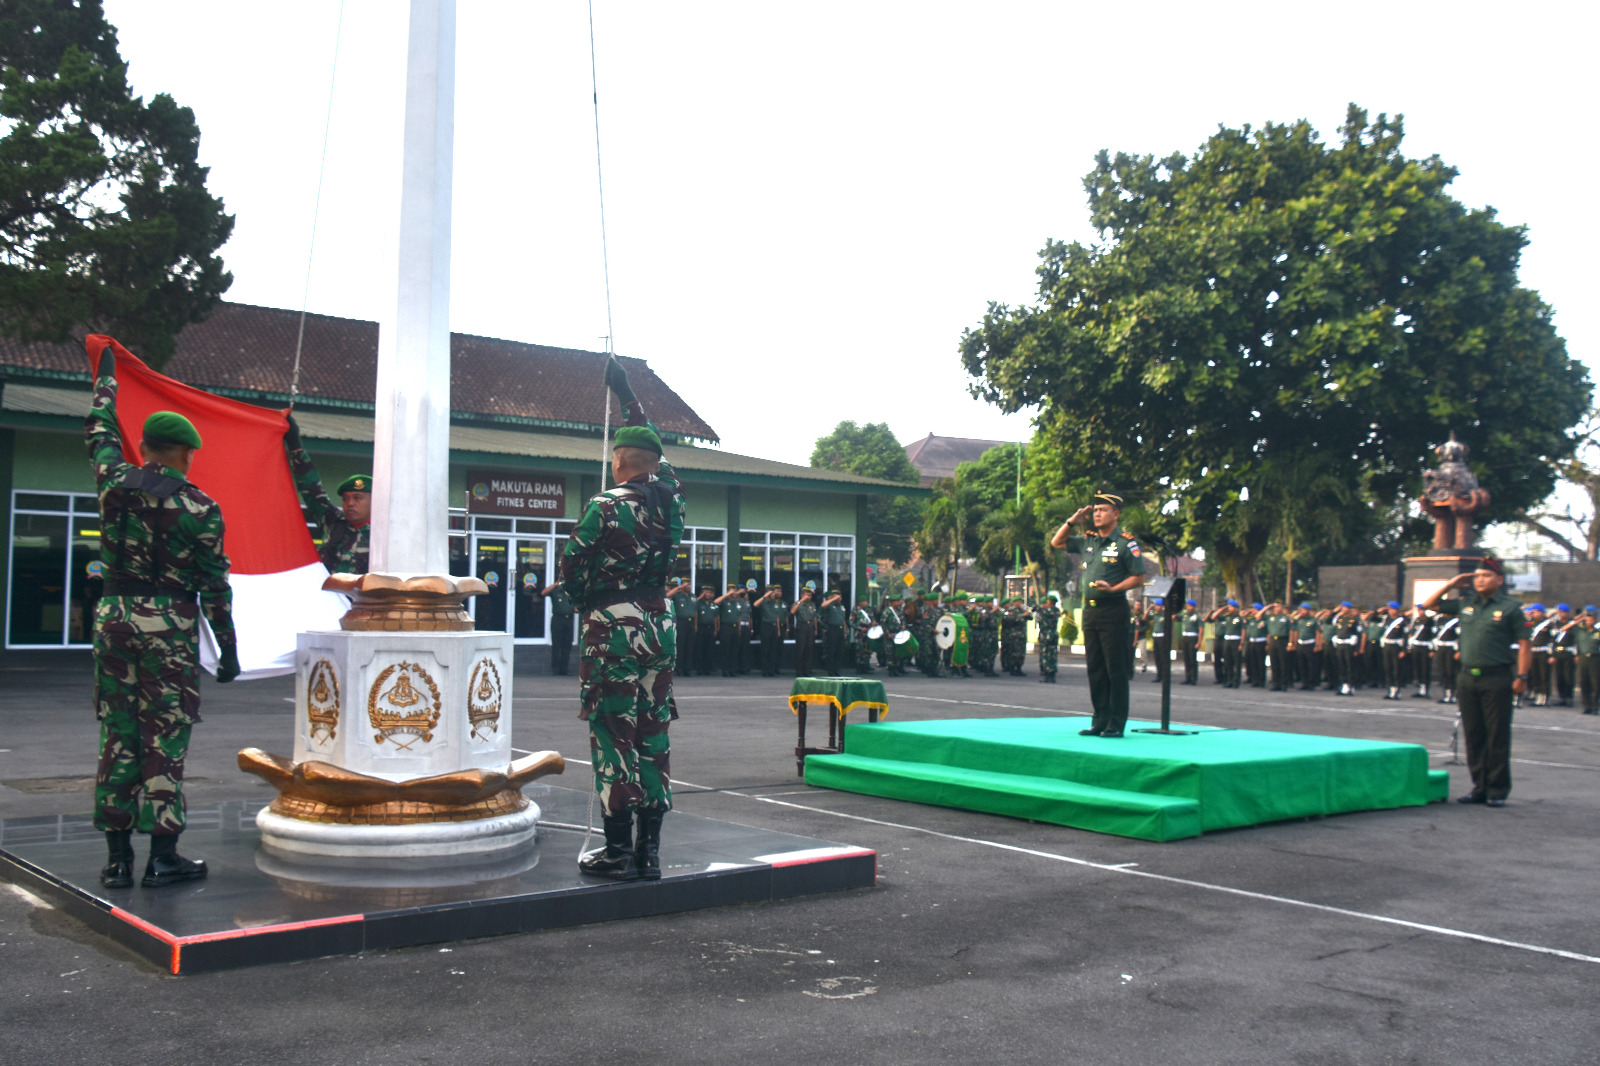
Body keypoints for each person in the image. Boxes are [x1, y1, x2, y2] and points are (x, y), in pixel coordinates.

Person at [86, 344, 239, 889]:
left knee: (118, 734)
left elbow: (99, 428)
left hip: (113, 620)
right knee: (165, 738)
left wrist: (107, 380)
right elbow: (213, 586)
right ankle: (163, 857)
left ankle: (116, 858)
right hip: (167, 628)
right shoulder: (199, 508)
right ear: (184, 454)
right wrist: (227, 650)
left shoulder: (111, 483)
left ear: (144, 447)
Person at [561, 356, 685, 881]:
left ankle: (616, 851)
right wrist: (627, 393)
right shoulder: (671, 500)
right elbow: (652, 440)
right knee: (653, 735)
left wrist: (584, 602)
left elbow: (572, 566)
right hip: (661, 622)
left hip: (612, 627)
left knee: (614, 734)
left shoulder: (607, 504)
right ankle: (649, 852)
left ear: (618, 463)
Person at [1418, 557, 1530, 807]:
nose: (1480, 579)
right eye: (1477, 576)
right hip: (1468, 677)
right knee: (1473, 733)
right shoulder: (1466, 603)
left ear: (1499, 580)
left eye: (1487, 575)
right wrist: (1454, 582)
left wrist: (1522, 676)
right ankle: (1479, 787)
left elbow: (1525, 645)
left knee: (1496, 734)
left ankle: (1497, 790)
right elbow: (1428, 605)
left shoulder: (1511, 608)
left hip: (1497, 677)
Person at [1052, 491, 1146, 736]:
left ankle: (1116, 723)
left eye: (1103, 510)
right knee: (1095, 668)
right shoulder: (1088, 540)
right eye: (1095, 510)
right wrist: (1073, 519)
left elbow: (1138, 577)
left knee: (1115, 669)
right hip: (1090, 612)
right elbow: (1057, 542)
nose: (1097, 514)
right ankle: (1099, 720)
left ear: (1116, 514)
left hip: (1113, 610)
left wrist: (1114, 588)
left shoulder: (1126, 543)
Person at [285, 415, 371, 575]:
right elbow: (312, 490)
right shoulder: (333, 521)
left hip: (361, 599)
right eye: (345, 499)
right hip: (327, 597)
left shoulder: (384, 536)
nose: (350, 503)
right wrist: (294, 444)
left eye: (357, 497)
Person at [541, 581, 576, 675]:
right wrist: (555, 585)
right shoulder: (555, 590)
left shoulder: (571, 591)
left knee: (567, 645)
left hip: (569, 618)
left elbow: (576, 607)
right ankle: (555, 669)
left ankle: (564, 669)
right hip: (558, 618)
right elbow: (543, 593)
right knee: (556, 644)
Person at [1570, 607, 1599, 715]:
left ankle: (1595, 706)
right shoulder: (1580, 631)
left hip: (1595, 658)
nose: (1589, 621)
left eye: (1591, 619)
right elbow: (1565, 628)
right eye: (1587, 620)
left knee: (1595, 683)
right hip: (1582, 658)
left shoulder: (1598, 632)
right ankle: (1587, 706)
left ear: (1595, 620)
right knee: (1583, 682)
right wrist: (1580, 618)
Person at [755, 584, 786, 676]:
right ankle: (765, 670)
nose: (773, 595)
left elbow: (777, 617)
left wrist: (778, 630)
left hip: (774, 626)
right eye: (771, 593)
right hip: (766, 626)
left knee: (773, 649)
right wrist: (765, 596)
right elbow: (755, 604)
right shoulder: (764, 602)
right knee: (765, 649)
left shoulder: (774, 603)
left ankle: (771, 670)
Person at [668, 581, 696, 675]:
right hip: (681, 622)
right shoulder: (677, 595)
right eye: (686, 584)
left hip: (691, 622)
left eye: (689, 584)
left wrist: (695, 625)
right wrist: (678, 588)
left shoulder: (693, 596)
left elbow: (695, 611)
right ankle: (678, 668)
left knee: (689, 646)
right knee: (680, 645)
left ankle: (687, 669)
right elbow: (668, 595)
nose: (688, 586)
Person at [819, 588, 848, 675]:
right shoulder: (830, 605)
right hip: (832, 629)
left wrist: (845, 631)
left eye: (840, 597)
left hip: (840, 629)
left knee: (840, 651)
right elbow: (823, 605)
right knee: (831, 650)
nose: (839, 598)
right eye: (837, 597)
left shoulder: (842, 606)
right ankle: (830, 670)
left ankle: (837, 669)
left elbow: (843, 619)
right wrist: (833, 599)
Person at [791, 585, 820, 675]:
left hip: (810, 627)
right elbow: (792, 612)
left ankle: (807, 670)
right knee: (800, 650)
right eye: (807, 595)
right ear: (802, 595)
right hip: (801, 627)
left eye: (810, 595)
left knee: (809, 649)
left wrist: (815, 628)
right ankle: (799, 671)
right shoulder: (798, 603)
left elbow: (814, 617)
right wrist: (801, 601)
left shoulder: (812, 604)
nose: (809, 597)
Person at [1033, 593, 1062, 683]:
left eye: (1048, 601)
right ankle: (1048, 674)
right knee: (1048, 655)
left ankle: (1050, 674)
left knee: (1049, 655)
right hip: (1047, 634)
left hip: (1049, 635)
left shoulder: (1053, 611)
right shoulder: (1051, 611)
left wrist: (1038, 607)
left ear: (1051, 602)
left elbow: (1040, 610)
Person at [693, 585, 719, 676]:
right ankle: (700, 669)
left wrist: (716, 629)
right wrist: (695, 626)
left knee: (709, 649)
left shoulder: (713, 604)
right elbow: (695, 612)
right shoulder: (699, 603)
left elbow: (716, 617)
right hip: (701, 627)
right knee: (700, 649)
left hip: (710, 628)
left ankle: (708, 668)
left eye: (710, 593)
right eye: (706, 592)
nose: (708, 594)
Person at [1178, 599, 1202, 685]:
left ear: (1194, 607)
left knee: (1192, 659)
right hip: (1185, 637)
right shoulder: (1185, 615)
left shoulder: (1197, 617)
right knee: (1186, 658)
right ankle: (1187, 677)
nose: (1188, 607)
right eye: (1187, 606)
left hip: (1193, 637)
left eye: (1190, 606)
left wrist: (1199, 642)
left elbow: (1201, 630)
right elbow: (1174, 618)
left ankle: (1193, 678)